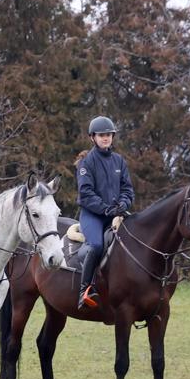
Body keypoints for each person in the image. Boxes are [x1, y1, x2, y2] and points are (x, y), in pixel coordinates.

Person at [75, 115, 135, 310]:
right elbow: (85, 194)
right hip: (93, 215)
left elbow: (127, 189)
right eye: (101, 135)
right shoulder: (87, 163)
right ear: (93, 137)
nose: (105, 138)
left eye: (108, 134)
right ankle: (84, 290)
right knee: (96, 245)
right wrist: (106, 208)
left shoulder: (119, 161)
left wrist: (124, 204)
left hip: (116, 214)